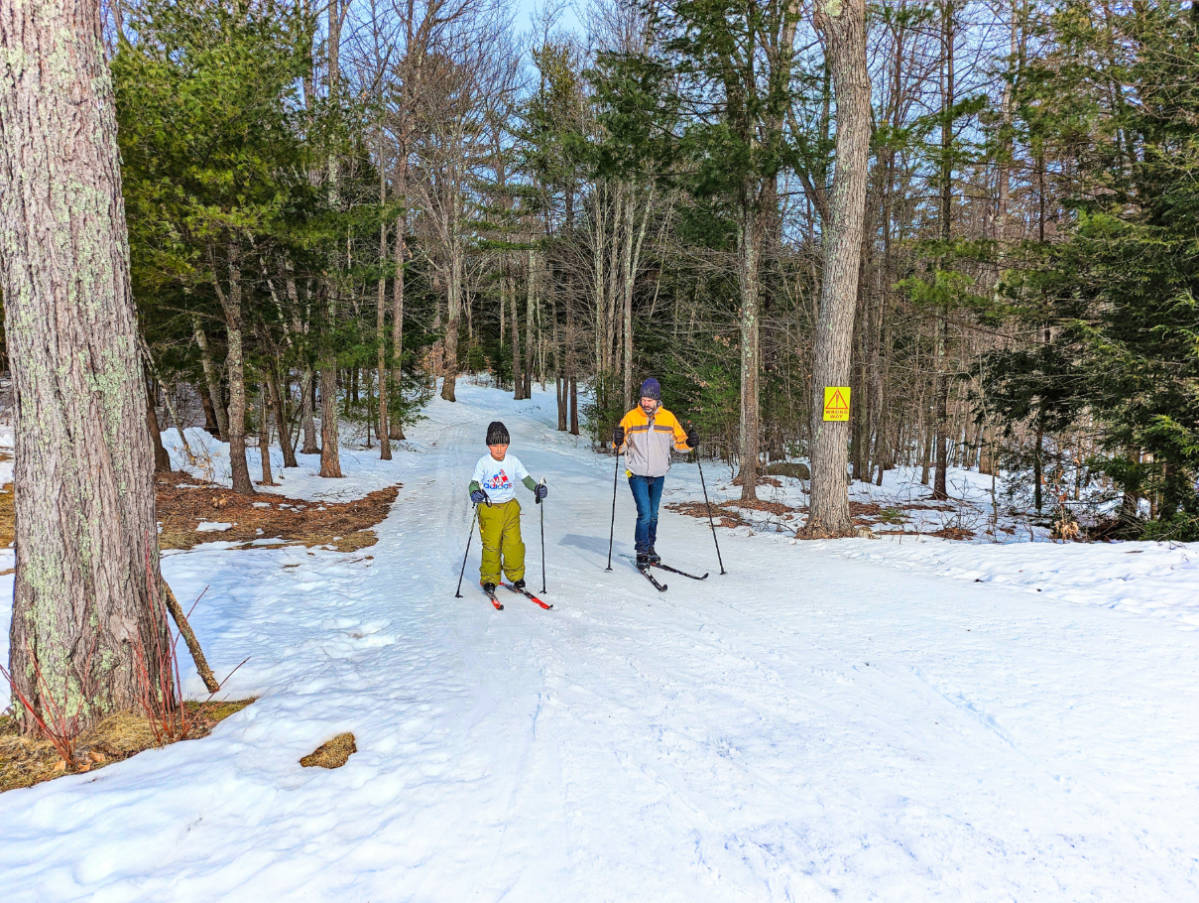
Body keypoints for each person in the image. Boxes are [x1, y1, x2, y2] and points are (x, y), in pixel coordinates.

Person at [612, 378, 697, 568]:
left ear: (657, 399)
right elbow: (619, 447)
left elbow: (679, 443)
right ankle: (642, 551)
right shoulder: (631, 417)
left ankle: (650, 548)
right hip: (637, 473)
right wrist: (617, 440)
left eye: (649, 400)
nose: (645, 403)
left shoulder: (668, 418)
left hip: (658, 474)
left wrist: (690, 442)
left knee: (653, 515)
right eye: (643, 399)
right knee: (644, 513)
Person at [468, 421, 548, 594]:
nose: (499, 449)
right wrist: (474, 492)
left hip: (510, 508)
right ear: (488, 445)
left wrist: (536, 488)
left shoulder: (513, 461)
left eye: (503, 445)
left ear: (508, 444)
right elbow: (474, 483)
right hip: (490, 509)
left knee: (514, 544)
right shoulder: (484, 463)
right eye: (495, 445)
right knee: (492, 546)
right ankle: (490, 578)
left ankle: (516, 575)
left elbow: (526, 479)